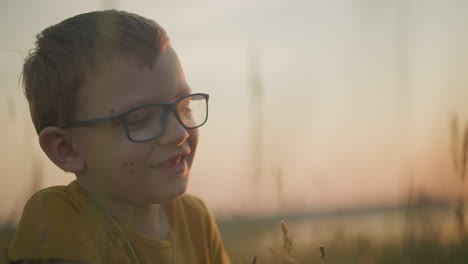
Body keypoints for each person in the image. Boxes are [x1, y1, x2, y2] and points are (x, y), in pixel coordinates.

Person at [8, 10, 231, 264]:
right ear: (67, 148)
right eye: (140, 119)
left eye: (184, 107)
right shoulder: (56, 217)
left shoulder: (196, 219)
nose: (179, 133)